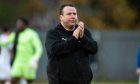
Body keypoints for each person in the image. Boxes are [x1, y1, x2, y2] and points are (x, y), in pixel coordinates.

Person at [45, 4, 98, 84]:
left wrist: (82, 37)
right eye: (69, 14)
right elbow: (53, 50)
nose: (73, 16)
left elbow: (94, 49)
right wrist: (74, 39)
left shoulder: (84, 32)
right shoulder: (53, 33)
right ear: (61, 17)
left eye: (74, 14)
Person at [0, 17, 43, 84]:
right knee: (13, 79)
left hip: (29, 62)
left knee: (29, 80)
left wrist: (35, 59)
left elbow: (39, 48)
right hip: (18, 62)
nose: (17, 25)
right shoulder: (16, 34)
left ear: (24, 24)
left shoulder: (32, 34)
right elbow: (4, 43)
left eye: (19, 23)